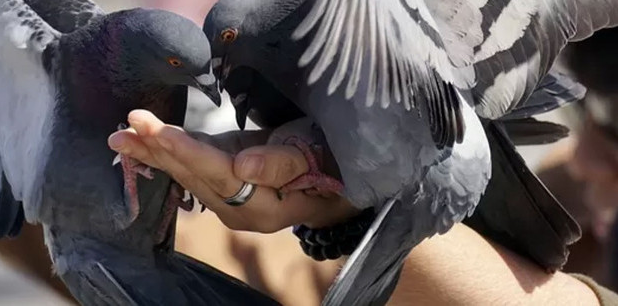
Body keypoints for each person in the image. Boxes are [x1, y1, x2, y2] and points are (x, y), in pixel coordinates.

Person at [109, 109, 618, 305]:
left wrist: (348, 200)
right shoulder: (574, 181)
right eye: (590, 111)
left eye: (614, 126)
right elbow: (287, 275)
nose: (586, 155)